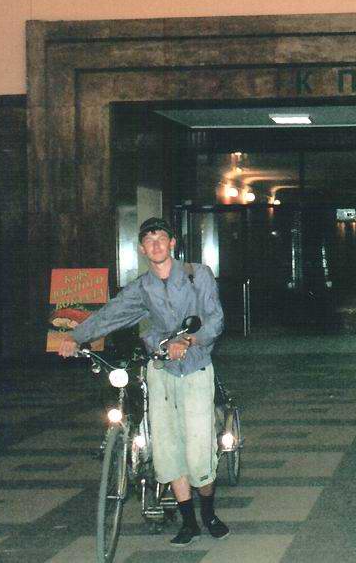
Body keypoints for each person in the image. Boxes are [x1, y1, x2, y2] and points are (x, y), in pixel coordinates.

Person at [58, 217, 229, 547]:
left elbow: (215, 319)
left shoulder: (198, 275)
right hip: (161, 371)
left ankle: (209, 513)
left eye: (161, 238)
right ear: (141, 249)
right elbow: (111, 314)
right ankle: (189, 522)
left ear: (172, 243)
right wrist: (75, 336)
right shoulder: (142, 287)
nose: (156, 245)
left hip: (195, 369)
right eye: (149, 241)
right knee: (167, 448)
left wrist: (188, 340)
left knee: (199, 453)